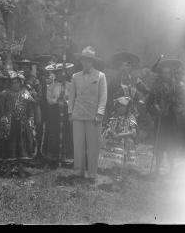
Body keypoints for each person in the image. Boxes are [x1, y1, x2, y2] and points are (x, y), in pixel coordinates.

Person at [68, 46, 107, 184]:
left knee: (93, 145)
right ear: (81, 61)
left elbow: (103, 97)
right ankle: (78, 170)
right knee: (78, 143)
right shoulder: (75, 76)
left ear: (93, 62)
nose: (86, 63)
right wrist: (70, 112)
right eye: (84, 60)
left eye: (89, 60)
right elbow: (71, 96)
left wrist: (100, 113)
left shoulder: (100, 75)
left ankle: (92, 172)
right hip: (78, 113)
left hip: (93, 115)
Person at [0, 70, 36, 177]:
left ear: (21, 83)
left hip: (22, 124)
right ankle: (8, 169)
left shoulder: (26, 93)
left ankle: (20, 169)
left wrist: (31, 119)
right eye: (13, 82)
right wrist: (3, 118)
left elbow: (31, 107)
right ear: (10, 83)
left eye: (17, 82)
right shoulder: (5, 93)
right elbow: (0, 107)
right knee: (9, 146)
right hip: (9, 124)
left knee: (21, 146)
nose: (15, 84)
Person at [147, 59, 183, 176]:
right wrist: (155, 108)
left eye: (167, 72)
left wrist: (172, 105)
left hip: (171, 118)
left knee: (171, 143)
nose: (165, 75)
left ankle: (172, 168)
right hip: (160, 119)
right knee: (159, 143)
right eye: (163, 72)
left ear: (171, 73)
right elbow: (150, 101)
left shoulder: (176, 85)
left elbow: (180, 101)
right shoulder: (156, 86)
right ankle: (157, 167)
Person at [99, 96, 137, 181]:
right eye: (119, 106)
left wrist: (120, 135)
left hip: (126, 144)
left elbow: (134, 133)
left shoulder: (130, 118)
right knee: (115, 164)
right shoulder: (114, 117)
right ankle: (115, 182)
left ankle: (123, 182)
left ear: (127, 108)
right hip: (115, 144)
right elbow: (110, 128)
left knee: (124, 164)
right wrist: (109, 132)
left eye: (123, 106)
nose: (120, 108)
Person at [43, 62, 74, 165]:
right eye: (59, 73)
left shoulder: (70, 85)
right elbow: (49, 100)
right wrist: (57, 99)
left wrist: (66, 100)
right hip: (54, 112)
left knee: (66, 131)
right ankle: (53, 155)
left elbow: (73, 99)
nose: (61, 75)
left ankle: (65, 155)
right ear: (56, 74)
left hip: (66, 111)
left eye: (63, 73)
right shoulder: (51, 86)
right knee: (54, 132)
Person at [106, 52, 149, 120]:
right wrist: (113, 108)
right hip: (116, 114)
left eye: (127, 65)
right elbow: (108, 95)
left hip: (132, 114)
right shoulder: (114, 80)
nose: (124, 68)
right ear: (119, 67)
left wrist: (141, 102)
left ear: (131, 67)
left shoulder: (135, 80)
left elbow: (147, 92)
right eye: (122, 65)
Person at [15, 59, 42, 158]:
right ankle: (21, 152)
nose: (25, 70)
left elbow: (39, 97)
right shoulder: (17, 79)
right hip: (20, 107)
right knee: (20, 130)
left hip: (33, 108)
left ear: (30, 69)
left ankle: (34, 152)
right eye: (22, 68)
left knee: (33, 129)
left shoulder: (35, 80)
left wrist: (31, 93)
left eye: (27, 68)